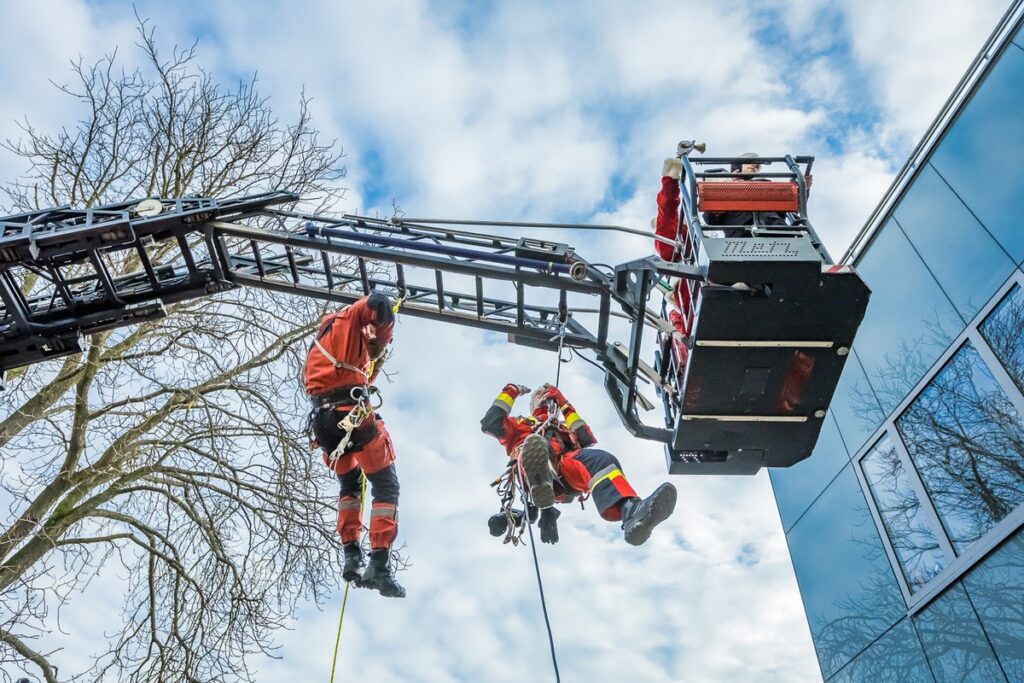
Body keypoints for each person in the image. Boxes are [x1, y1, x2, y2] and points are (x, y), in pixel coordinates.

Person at [480, 383, 677, 546]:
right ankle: (542, 490)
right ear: (532, 402)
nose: (545, 396)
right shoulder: (521, 424)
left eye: (548, 394)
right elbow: (491, 423)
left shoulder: (563, 428)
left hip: (565, 472)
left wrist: (564, 404)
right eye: (539, 393)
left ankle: (632, 512)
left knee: (602, 460)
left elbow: (585, 437)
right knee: (536, 445)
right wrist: (512, 390)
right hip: (529, 466)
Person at [304, 292, 405, 598]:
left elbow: (358, 376)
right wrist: (382, 336)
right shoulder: (349, 317)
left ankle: (351, 553)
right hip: (351, 415)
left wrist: (373, 360)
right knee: (386, 486)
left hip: (323, 424)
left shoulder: (323, 345)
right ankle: (379, 563)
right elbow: (378, 304)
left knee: (350, 485)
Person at [703, 152, 813, 236]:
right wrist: (731, 184)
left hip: (776, 228)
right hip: (742, 232)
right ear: (738, 165)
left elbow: (793, 205)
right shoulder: (720, 185)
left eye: (757, 165)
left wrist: (803, 189)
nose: (754, 166)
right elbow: (711, 219)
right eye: (750, 162)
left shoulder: (765, 184)